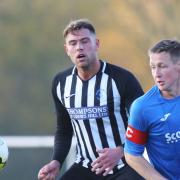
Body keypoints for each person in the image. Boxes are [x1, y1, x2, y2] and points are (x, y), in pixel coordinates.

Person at [38, 18, 144, 180]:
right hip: (86, 167)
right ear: (67, 49)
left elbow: (145, 123)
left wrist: (121, 151)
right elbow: (64, 129)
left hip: (124, 165)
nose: (79, 47)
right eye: (73, 43)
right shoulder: (61, 83)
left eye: (85, 41)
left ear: (97, 44)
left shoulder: (122, 79)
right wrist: (57, 161)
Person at [124, 39, 180, 180]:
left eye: (162, 66)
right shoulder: (142, 107)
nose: (156, 73)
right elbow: (132, 154)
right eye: (153, 67)